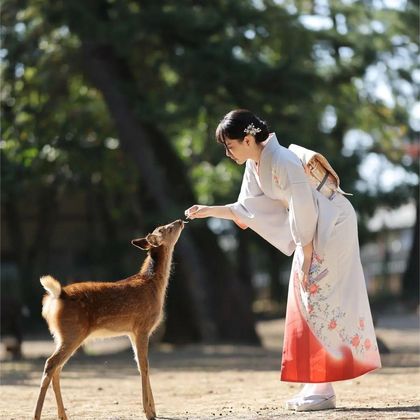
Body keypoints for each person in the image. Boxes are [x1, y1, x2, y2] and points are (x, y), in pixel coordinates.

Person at [184, 109, 381, 412]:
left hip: (331, 225)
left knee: (316, 298)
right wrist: (209, 210)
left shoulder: (284, 162)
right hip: (313, 230)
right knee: (301, 299)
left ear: (248, 138)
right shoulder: (255, 163)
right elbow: (246, 209)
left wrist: (308, 254)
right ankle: (315, 383)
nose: (227, 152)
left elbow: (305, 209)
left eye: (230, 145)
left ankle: (323, 386)